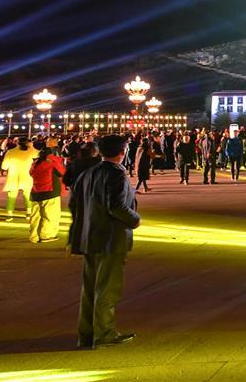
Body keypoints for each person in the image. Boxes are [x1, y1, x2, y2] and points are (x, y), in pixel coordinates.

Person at [68, 134, 140, 350]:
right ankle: (104, 333)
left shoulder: (88, 173)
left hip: (90, 236)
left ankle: (87, 334)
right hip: (110, 236)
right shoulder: (116, 174)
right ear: (122, 151)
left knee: (89, 288)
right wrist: (134, 219)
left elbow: (74, 204)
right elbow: (116, 205)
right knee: (108, 287)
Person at [29, 147, 66, 243]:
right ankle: (46, 235)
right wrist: (54, 160)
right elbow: (62, 172)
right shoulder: (51, 163)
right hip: (50, 191)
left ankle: (34, 235)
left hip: (36, 191)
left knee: (35, 216)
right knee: (50, 215)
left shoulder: (35, 163)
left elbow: (30, 173)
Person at [1, 137, 40, 221]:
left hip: (13, 176)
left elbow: (4, 166)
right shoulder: (32, 151)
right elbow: (39, 154)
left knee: (11, 195)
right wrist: (32, 146)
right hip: (27, 176)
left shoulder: (10, 152)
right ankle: (29, 213)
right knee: (27, 194)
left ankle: (9, 214)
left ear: (17, 143)